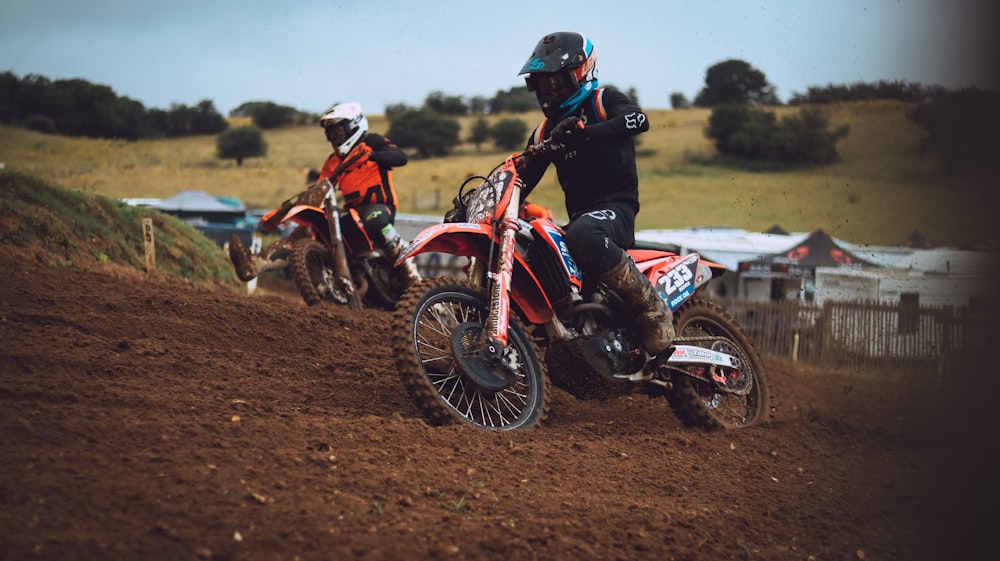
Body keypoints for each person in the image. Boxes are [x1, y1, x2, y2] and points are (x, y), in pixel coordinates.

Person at [516, 31, 674, 356]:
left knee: (584, 232)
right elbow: (521, 177)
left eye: (559, 82)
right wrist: (478, 202)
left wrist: (587, 134)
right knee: (534, 246)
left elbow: (638, 120)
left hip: (616, 210)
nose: (552, 92)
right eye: (544, 85)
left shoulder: (603, 101)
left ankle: (653, 310)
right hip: (580, 221)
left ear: (583, 72)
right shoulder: (546, 133)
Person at [229, 102, 421, 287]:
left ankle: (412, 277)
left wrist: (372, 155)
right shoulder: (333, 161)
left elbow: (400, 157)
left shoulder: (372, 142)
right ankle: (254, 264)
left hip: (379, 207)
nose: (335, 137)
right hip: (351, 213)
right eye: (330, 133)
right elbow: (322, 189)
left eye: (338, 131)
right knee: (306, 232)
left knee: (376, 220)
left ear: (353, 125)